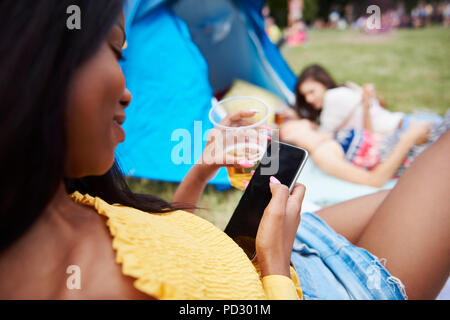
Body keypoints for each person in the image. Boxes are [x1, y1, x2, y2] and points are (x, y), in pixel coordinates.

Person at [0, 1, 448, 300]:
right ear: (35, 62)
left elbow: (169, 256)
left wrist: (200, 171)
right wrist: (274, 262)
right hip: (299, 284)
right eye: (117, 52)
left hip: (251, 250)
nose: (129, 91)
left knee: (406, 200)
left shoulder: (72, 203)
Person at [280, 115, 449, 186]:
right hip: (417, 155)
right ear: (288, 133)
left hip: (418, 141)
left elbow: (373, 140)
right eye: (289, 122)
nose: (297, 119)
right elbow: (374, 180)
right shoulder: (322, 154)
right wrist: (408, 140)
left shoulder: (330, 135)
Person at [294, 64, 442, 136]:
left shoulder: (332, 97)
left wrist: (303, 124)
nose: (308, 99)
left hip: (408, 130)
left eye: (312, 91)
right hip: (408, 122)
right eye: (305, 95)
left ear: (324, 83)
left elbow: (322, 137)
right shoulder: (347, 87)